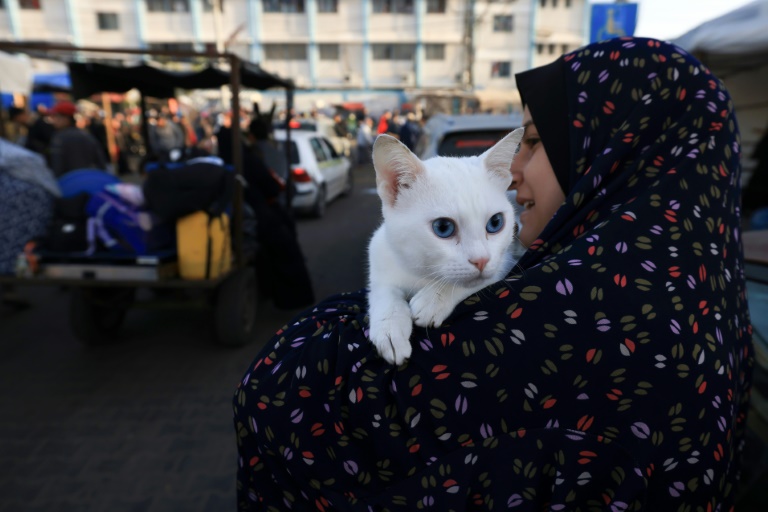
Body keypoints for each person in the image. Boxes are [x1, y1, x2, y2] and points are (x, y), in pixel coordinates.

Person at [233, 37, 753, 510]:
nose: (515, 171)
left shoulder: (596, 321)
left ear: (610, 147)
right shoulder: (701, 298)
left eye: (535, 142)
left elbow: (290, 401)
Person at [48, 101, 108, 177]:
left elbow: (57, 166)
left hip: (68, 182)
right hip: (90, 179)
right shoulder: (86, 135)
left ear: (66, 119)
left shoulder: (59, 138)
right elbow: (101, 163)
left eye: (55, 116)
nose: (53, 120)